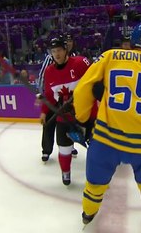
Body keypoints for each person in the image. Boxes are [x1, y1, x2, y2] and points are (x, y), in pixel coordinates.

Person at [73, 22, 141, 232]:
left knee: (95, 186)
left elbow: (82, 90)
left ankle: (88, 213)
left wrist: (82, 117)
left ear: (132, 41)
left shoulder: (110, 56)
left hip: (107, 139)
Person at [40, 36, 92, 185]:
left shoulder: (81, 63)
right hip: (64, 116)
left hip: (86, 114)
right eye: (53, 51)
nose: (56, 54)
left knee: (95, 146)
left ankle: (97, 175)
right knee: (64, 146)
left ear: (65, 50)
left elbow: (95, 80)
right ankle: (66, 172)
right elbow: (49, 96)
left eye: (59, 50)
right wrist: (44, 111)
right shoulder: (49, 71)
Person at [37, 34, 79, 162]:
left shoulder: (75, 57)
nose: (69, 43)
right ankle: (47, 150)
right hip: (53, 98)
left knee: (69, 122)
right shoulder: (50, 59)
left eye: (70, 41)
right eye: (67, 41)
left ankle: (69, 146)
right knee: (49, 124)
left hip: (69, 99)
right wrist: (41, 94)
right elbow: (42, 78)